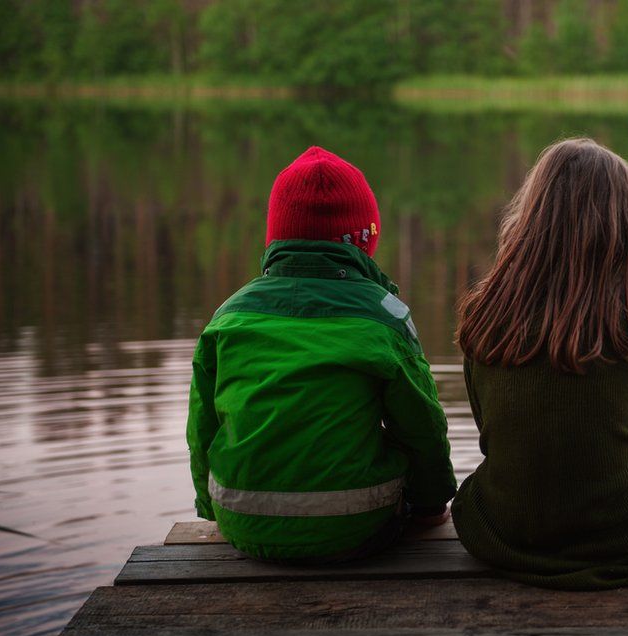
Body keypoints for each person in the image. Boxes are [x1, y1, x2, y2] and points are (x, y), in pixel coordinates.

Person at [186, 146, 456, 561]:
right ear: (366, 238)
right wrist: (432, 505)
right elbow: (421, 427)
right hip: (357, 528)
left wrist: (211, 511)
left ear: (276, 236)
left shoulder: (228, 316)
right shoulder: (384, 317)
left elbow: (202, 426)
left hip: (241, 523)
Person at [451, 138, 628, 590]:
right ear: (625, 222)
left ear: (531, 216)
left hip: (506, 529)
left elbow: (490, 431)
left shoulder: (485, 310)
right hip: (616, 533)